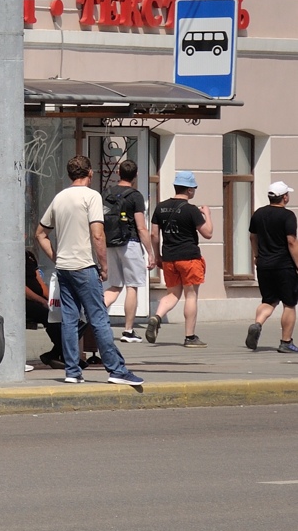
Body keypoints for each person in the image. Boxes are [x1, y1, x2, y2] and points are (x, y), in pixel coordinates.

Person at [34, 154, 144, 387]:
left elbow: (40, 234)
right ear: (90, 173)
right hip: (84, 266)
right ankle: (116, 369)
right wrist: (104, 266)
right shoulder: (91, 196)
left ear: (69, 175)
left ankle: (72, 371)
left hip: (64, 268)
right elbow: (97, 234)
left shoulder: (59, 198)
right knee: (99, 318)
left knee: (70, 320)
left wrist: (56, 256)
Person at [146, 170, 215, 347]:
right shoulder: (191, 210)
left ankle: (157, 316)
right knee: (190, 296)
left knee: (172, 294)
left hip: (169, 257)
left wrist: (156, 255)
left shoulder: (160, 207)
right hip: (189, 257)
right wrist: (207, 214)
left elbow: (154, 234)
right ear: (190, 190)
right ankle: (190, 337)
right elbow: (208, 233)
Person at [102, 159, 155, 343]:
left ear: (118, 172)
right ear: (136, 175)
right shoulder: (135, 196)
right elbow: (141, 227)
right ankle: (128, 331)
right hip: (130, 243)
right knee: (132, 286)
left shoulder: (107, 193)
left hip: (111, 243)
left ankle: (93, 316)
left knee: (115, 285)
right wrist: (150, 252)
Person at [247, 181, 298, 352]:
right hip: (284, 266)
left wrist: (256, 256)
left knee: (269, 301)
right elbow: (291, 242)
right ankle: (286, 342)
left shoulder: (258, 214)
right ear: (284, 197)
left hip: (264, 265)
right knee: (289, 304)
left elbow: (252, 237)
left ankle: (257, 324)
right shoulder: (288, 216)